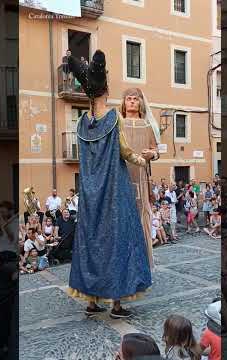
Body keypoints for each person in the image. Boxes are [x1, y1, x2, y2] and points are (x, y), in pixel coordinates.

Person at [66, 50, 152, 319]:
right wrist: (141, 159)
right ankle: (116, 304)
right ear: (106, 90)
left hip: (90, 193)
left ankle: (91, 302)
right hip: (115, 190)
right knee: (120, 241)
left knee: (91, 242)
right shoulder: (114, 118)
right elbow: (125, 151)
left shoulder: (82, 123)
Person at [120, 87, 161, 269]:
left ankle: (143, 262)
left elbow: (156, 151)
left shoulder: (147, 126)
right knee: (123, 218)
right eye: (128, 99)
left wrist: (151, 154)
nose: (132, 102)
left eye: (135, 99)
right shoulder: (118, 124)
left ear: (140, 103)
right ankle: (124, 263)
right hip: (121, 177)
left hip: (141, 178)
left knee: (142, 216)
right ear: (124, 102)